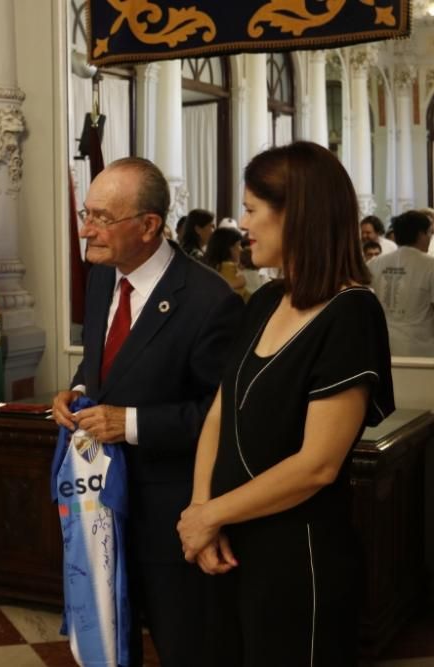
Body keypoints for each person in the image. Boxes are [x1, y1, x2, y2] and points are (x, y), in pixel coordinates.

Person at [177, 141, 394, 667]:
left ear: (297, 214)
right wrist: (202, 511)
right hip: (228, 542)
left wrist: (211, 515)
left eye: (252, 209)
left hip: (297, 555)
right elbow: (219, 416)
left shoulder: (352, 313)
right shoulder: (268, 299)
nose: (242, 223)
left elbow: (317, 465)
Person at [52, 157, 244, 667]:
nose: (86, 229)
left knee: (189, 647)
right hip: (101, 511)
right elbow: (105, 368)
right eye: (84, 213)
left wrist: (129, 424)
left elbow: (224, 416)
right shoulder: (100, 279)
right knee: (110, 648)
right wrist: (75, 391)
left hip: (171, 515)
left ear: (148, 226)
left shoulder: (209, 300)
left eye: (100, 217)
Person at [367, 209, 434, 356]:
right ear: (420, 235)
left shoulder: (375, 263)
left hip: (382, 344)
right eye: (429, 233)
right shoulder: (430, 265)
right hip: (420, 348)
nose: (430, 238)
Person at [205, 226, 249, 301]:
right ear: (230, 249)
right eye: (238, 245)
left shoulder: (208, 269)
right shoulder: (230, 269)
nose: (241, 249)